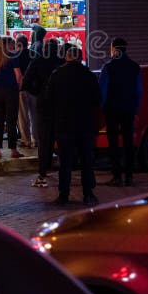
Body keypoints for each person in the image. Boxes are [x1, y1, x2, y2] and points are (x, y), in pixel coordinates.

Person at [46, 45, 101, 206]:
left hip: (64, 125)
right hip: (85, 124)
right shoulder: (89, 75)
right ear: (80, 57)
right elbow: (97, 100)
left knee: (65, 162)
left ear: (67, 57)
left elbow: (49, 100)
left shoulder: (57, 75)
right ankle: (88, 194)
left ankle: (64, 194)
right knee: (86, 161)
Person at [99, 37, 142, 187]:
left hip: (112, 109)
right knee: (128, 142)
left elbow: (102, 90)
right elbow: (139, 90)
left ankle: (117, 175)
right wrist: (136, 109)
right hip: (128, 109)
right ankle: (129, 175)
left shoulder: (108, 67)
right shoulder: (135, 67)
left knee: (113, 143)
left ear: (114, 49)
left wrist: (102, 107)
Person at [21, 38, 63, 187]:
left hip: (44, 105)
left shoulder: (38, 61)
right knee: (61, 137)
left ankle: (43, 171)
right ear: (56, 48)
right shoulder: (62, 62)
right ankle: (62, 171)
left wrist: (38, 92)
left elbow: (25, 83)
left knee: (44, 139)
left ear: (45, 48)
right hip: (60, 106)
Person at [0, 35, 24, 160]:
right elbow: (18, 76)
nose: (13, 46)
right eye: (11, 44)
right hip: (11, 91)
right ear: (6, 45)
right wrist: (19, 87)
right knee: (11, 121)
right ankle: (13, 150)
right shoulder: (12, 57)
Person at [15, 34, 37, 149]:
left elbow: (17, 75)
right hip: (34, 89)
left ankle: (26, 140)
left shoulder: (15, 57)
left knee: (23, 116)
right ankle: (36, 139)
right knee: (34, 115)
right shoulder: (34, 55)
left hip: (21, 89)